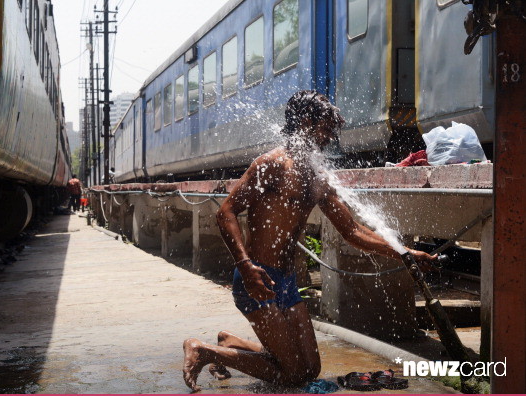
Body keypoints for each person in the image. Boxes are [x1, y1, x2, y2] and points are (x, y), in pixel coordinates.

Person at [182, 90, 437, 391]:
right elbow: (226, 212)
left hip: (286, 282)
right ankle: (203, 351)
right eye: (326, 128)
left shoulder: (317, 176)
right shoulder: (272, 164)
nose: (331, 136)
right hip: (258, 279)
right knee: (292, 374)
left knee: (309, 369)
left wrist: (404, 253)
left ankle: (229, 343)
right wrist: (245, 265)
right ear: (305, 123)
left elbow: (353, 231)